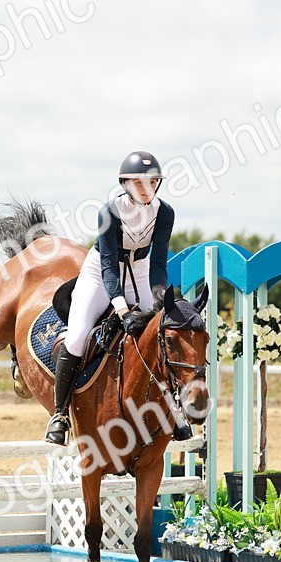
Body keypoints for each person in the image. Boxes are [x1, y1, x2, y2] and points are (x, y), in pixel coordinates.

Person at [44, 151, 175, 445]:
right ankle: (60, 415)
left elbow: (158, 263)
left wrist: (156, 299)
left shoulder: (165, 213)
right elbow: (108, 267)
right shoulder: (109, 212)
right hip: (99, 274)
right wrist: (123, 310)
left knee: (158, 333)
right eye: (140, 182)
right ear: (125, 183)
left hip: (140, 270)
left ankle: (172, 410)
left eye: (153, 182)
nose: (147, 188)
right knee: (76, 338)